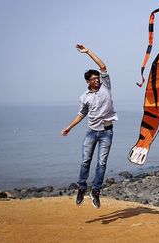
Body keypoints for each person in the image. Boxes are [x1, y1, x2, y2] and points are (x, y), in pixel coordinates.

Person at [61, 44, 118, 208]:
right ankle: (81, 187)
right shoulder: (84, 97)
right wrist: (69, 127)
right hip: (92, 132)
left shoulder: (106, 86)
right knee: (86, 161)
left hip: (107, 132)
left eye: (98, 77)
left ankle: (96, 191)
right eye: (93, 79)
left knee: (102, 163)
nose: (97, 79)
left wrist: (87, 52)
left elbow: (103, 66)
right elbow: (81, 114)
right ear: (88, 81)